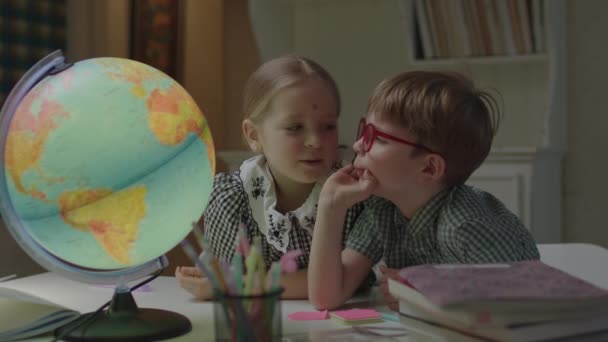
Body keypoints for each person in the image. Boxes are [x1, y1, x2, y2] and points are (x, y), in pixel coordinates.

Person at [308, 71, 540, 310]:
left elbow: (526, 296)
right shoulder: (383, 210)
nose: (358, 145)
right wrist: (331, 205)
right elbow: (325, 297)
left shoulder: (462, 225)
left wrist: (430, 293)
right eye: (364, 130)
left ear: (429, 168)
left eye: (377, 138)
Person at [176, 55, 361, 300]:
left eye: (328, 126)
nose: (316, 141)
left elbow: (342, 280)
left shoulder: (356, 191)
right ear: (254, 135)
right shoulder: (231, 199)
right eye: (295, 128)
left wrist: (236, 285)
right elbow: (225, 277)